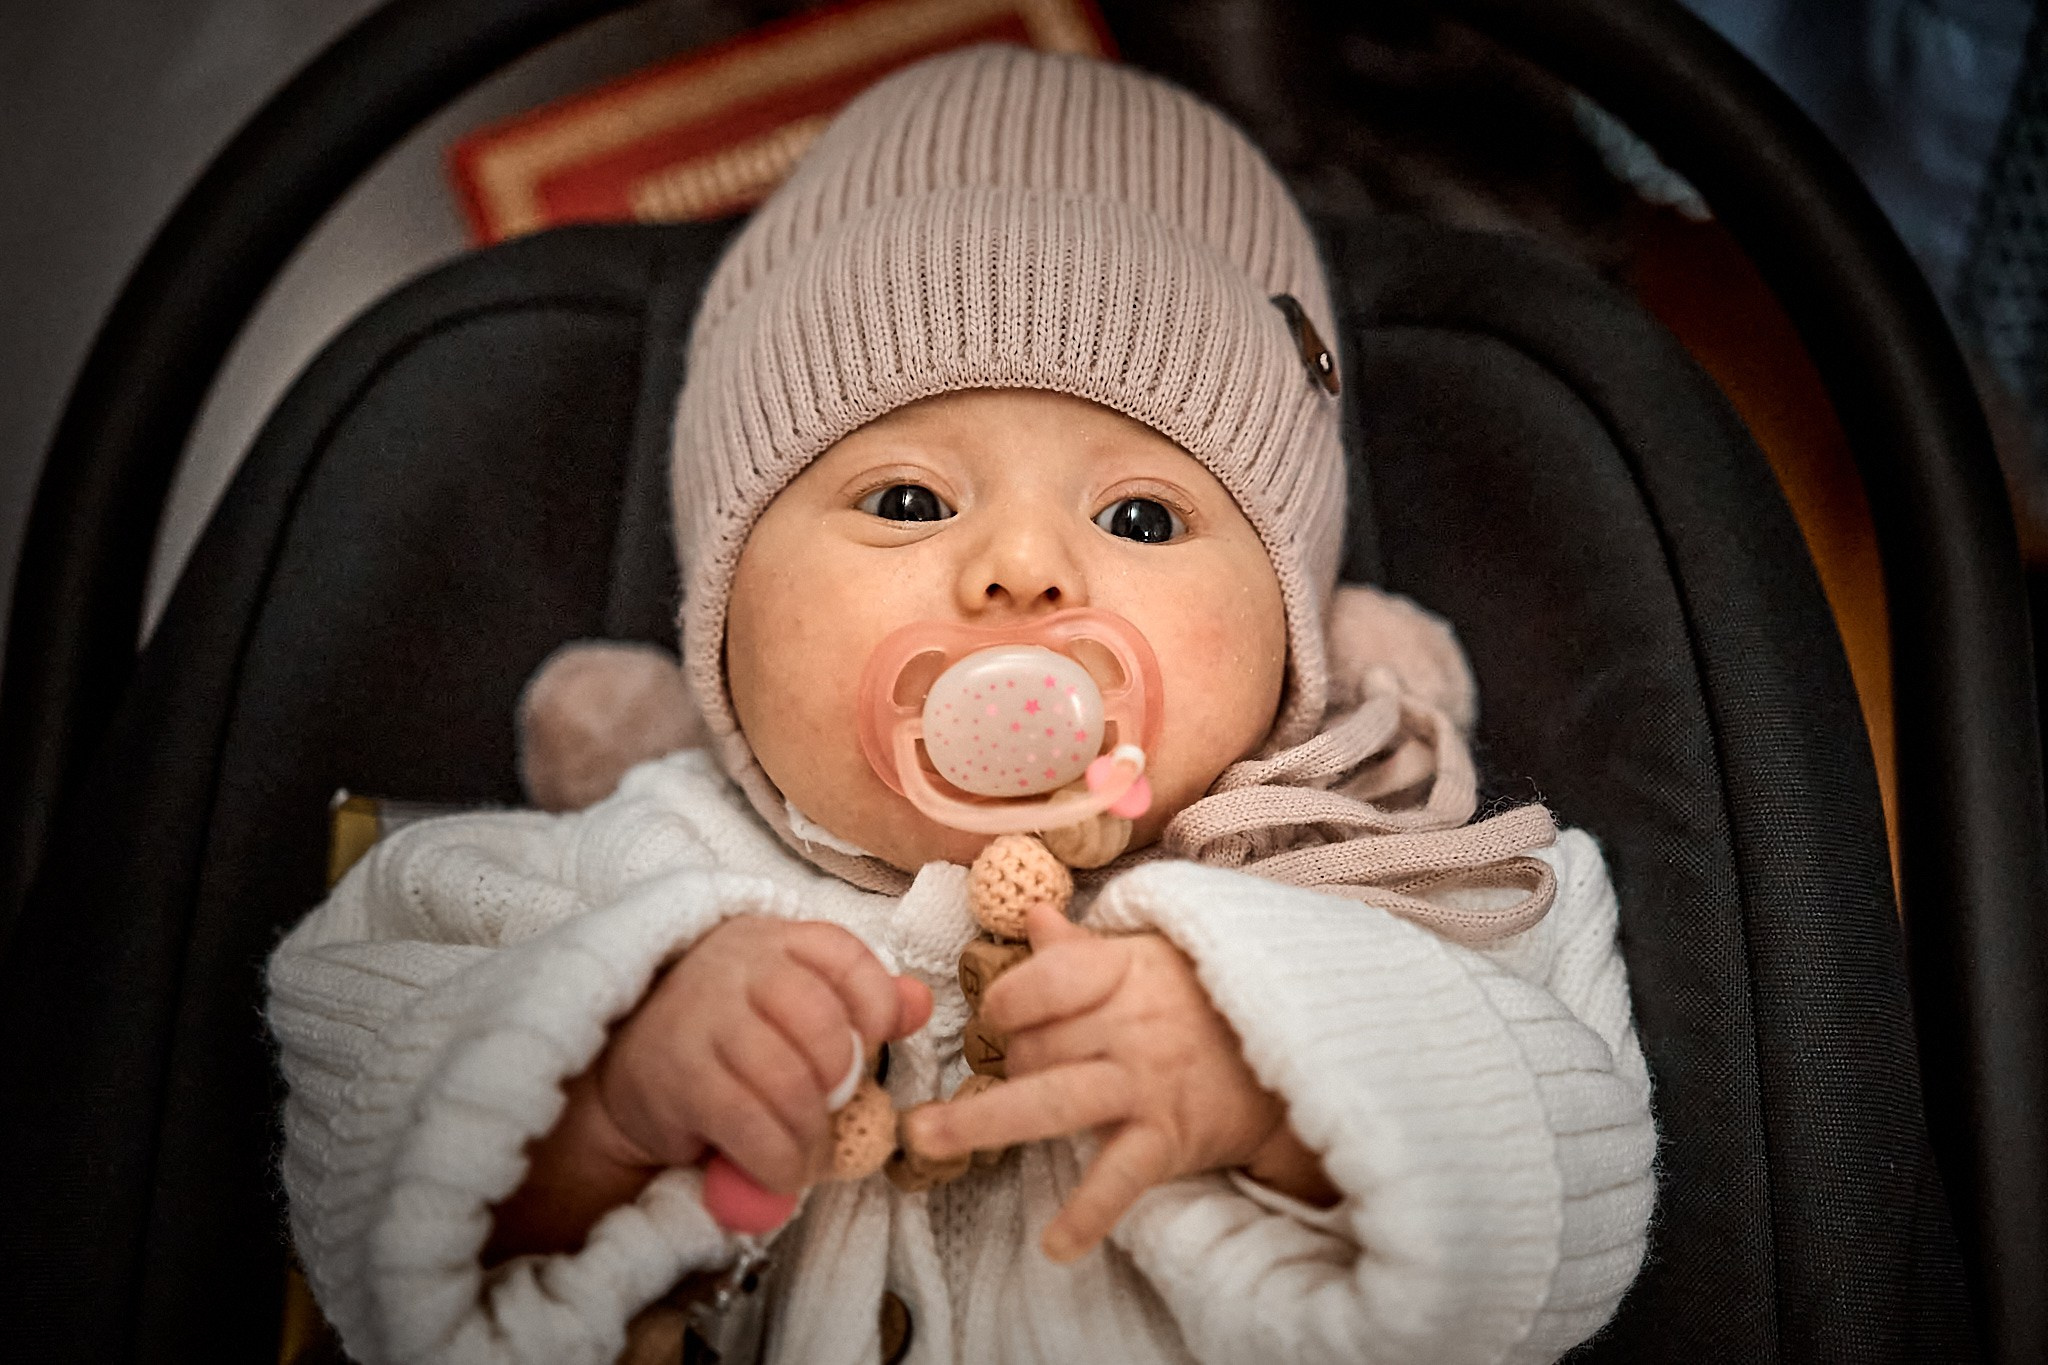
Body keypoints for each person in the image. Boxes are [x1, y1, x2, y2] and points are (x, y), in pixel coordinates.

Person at [267, 44, 1654, 1365]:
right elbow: (357, 1144)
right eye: (911, 500)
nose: (1024, 571)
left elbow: (1570, 1207)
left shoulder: (1390, 875)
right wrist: (605, 1099)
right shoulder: (624, 873)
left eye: (1139, 515)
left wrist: (1269, 1086)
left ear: (1301, 632)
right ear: (723, 608)